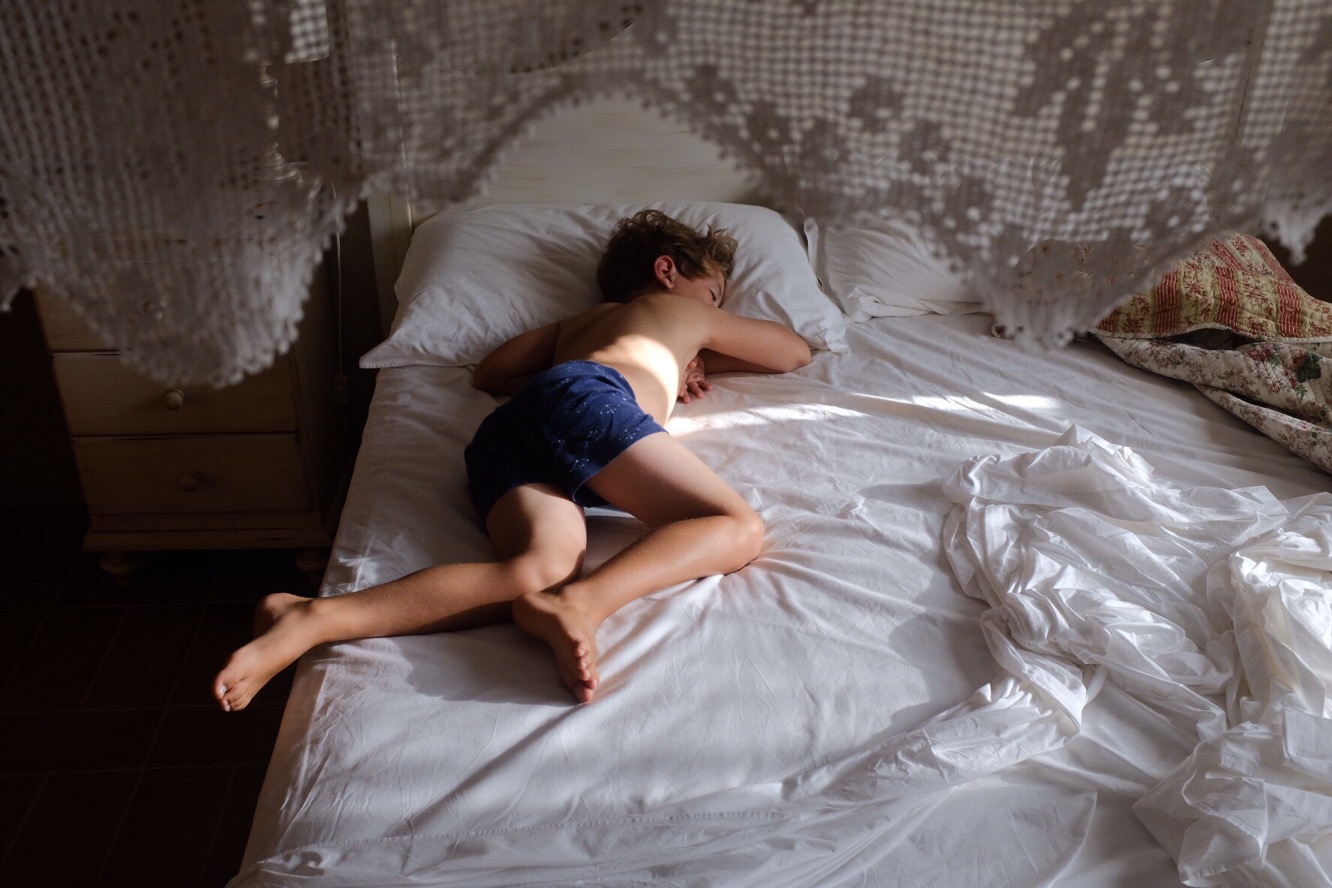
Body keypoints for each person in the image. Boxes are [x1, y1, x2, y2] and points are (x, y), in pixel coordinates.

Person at [213, 209, 812, 710]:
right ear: (668, 272)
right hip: (590, 406)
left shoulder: (576, 325)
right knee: (737, 527)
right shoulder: (684, 313)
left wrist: (599, 367)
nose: (716, 308)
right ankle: (583, 603)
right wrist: (697, 352)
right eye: (714, 294)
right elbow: (792, 353)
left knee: (536, 568)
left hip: (515, 428)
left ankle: (313, 619)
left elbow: (492, 371)